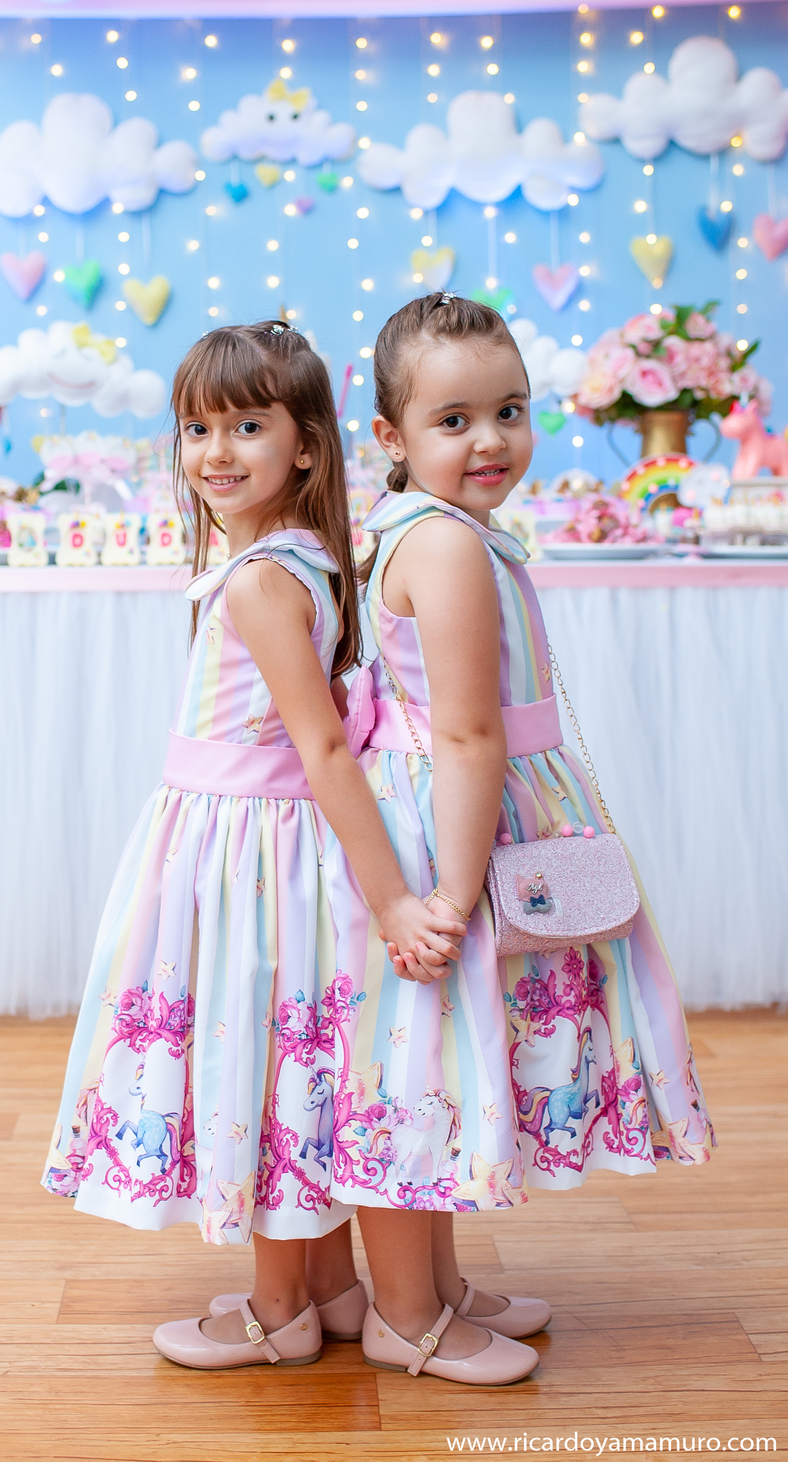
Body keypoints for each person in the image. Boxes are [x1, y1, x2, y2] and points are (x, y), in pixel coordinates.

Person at [41, 321, 500, 1373]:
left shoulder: (260, 580)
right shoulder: (303, 560)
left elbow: (324, 748)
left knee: (252, 1060)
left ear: (306, 445)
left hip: (242, 855)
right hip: (255, 849)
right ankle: (321, 1290)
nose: (215, 451)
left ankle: (283, 1303)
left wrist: (394, 899)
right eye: (197, 428)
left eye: (247, 426)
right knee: (283, 1065)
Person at [314, 291, 713, 1384]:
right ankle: (404, 1312)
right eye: (453, 420)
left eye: (510, 410)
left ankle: (436, 1286)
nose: (489, 439)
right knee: (414, 1062)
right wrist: (451, 891)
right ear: (392, 436)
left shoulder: (444, 531)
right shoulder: (443, 545)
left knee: (444, 1055)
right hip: (450, 828)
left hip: (467, 810)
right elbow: (465, 729)